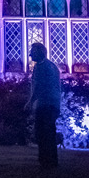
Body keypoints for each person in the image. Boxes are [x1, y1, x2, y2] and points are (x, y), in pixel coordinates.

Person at [24, 41, 61, 169]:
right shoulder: (50, 66)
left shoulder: (42, 67)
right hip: (52, 104)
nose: (30, 54)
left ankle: (46, 161)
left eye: (32, 52)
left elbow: (40, 87)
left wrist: (30, 101)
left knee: (43, 132)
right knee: (48, 132)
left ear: (39, 53)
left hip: (46, 104)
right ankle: (50, 160)